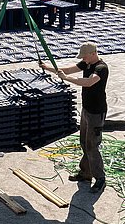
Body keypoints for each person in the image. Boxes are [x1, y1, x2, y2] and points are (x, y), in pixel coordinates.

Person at [40, 42, 109, 192]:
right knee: (84, 143)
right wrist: (48, 68)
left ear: (92, 54)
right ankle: (85, 173)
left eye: (84, 56)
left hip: (96, 113)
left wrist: (66, 79)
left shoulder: (101, 68)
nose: (83, 59)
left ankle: (100, 178)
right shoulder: (87, 63)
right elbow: (68, 70)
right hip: (86, 110)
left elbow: (89, 82)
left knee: (92, 145)